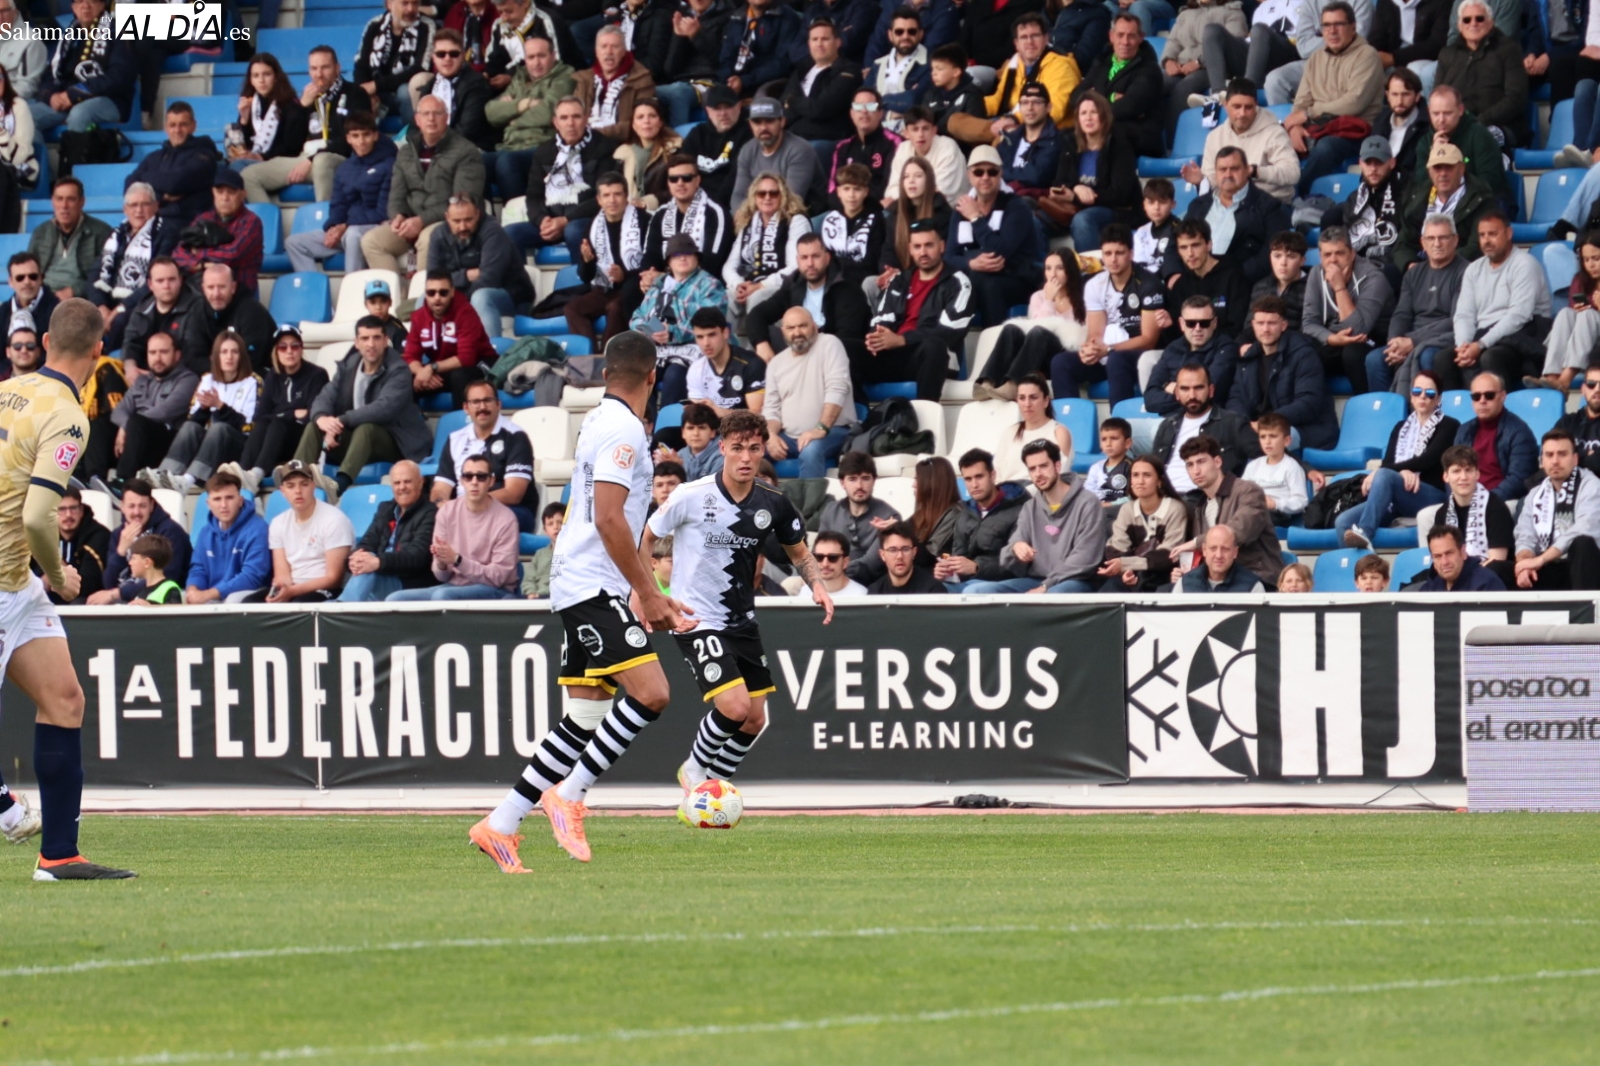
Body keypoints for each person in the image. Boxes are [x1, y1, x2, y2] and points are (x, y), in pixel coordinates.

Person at [475, 332, 690, 870]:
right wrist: (649, 592)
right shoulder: (625, 429)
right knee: (653, 694)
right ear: (652, 378)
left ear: (605, 375)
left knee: (587, 712)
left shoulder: (598, 418)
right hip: (594, 582)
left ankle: (501, 824)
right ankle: (569, 794)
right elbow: (609, 517)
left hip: (580, 580)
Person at [0, 298, 136, 875]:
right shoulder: (68, 415)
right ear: (100, 351)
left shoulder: (9, 389)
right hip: (9, 579)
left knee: (64, 699)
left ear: (45, 343)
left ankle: (58, 855)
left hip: (15, 581)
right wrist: (60, 576)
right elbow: (38, 516)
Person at [646, 408, 833, 786]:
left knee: (754, 719)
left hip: (741, 620)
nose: (746, 457)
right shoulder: (690, 495)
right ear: (722, 448)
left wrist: (816, 583)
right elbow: (646, 538)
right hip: (696, 619)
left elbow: (799, 552)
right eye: (737, 448)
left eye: (754, 449)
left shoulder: (774, 501)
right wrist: (647, 593)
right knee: (734, 706)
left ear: (763, 449)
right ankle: (694, 772)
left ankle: (716, 789)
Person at [294, 317, 435, 502]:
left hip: (397, 444)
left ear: (385, 340)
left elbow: (383, 408)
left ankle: (338, 486)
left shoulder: (399, 370)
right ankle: (296, 479)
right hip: (357, 444)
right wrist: (321, 418)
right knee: (314, 426)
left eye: (376, 337)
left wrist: (340, 421)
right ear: (357, 343)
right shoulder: (348, 367)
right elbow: (324, 396)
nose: (371, 344)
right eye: (365, 338)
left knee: (367, 428)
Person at [362, 96, 486, 278]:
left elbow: (464, 202)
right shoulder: (406, 152)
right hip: (410, 221)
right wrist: (398, 216)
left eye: (437, 113)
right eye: (426, 114)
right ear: (417, 120)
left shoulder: (466, 151)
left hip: (448, 222)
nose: (431, 119)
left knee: (429, 239)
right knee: (371, 241)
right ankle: (396, 294)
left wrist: (421, 221)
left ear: (447, 118)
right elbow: (396, 194)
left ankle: (424, 294)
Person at [1336, 367, 1458, 545]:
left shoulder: (1449, 425)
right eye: (1417, 391)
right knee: (1343, 522)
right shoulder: (1401, 427)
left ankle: (1365, 531)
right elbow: (1388, 463)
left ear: (1438, 398)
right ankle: (1364, 560)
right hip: (1398, 496)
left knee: (1384, 474)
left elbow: (1428, 460)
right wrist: (1402, 473)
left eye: (1430, 393)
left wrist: (1394, 472)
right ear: (1411, 395)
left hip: (1431, 496)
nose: (1422, 397)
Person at [965, 439, 1103, 593]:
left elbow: (1084, 557)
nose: (1038, 474)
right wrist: (1016, 548)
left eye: (1043, 466)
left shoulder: (1088, 503)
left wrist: (1046, 586)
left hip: (1074, 581)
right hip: (1035, 580)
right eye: (1032, 468)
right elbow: (1012, 549)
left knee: (1054, 595)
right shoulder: (1030, 507)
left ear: (1057, 466)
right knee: (976, 591)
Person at [1436, 212, 1552, 392]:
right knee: (1443, 359)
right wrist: (1463, 347)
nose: (1486, 240)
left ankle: (1502, 407)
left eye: (1492, 234)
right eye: (1482, 235)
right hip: (1483, 337)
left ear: (1509, 234)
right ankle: (1456, 409)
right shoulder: (1473, 269)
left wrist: (1481, 345)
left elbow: (1518, 316)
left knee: (1490, 358)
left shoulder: (1525, 264)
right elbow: (1464, 315)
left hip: (1519, 337)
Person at [242, 48, 374, 206]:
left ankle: (326, 219)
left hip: (338, 158)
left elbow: (355, 139)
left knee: (322, 161)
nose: (319, 74)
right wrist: (301, 108)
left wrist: (312, 159)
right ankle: (267, 220)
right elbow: (293, 145)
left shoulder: (355, 93)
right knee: (249, 176)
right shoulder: (309, 98)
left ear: (337, 68)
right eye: (314, 68)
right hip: (306, 158)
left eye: (325, 67)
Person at [862, 220, 973, 402]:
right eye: (917, 246)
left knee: (934, 345)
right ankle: (860, 415)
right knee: (846, 349)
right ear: (910, 249)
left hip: (934, 359)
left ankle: (927, 413)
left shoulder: (958, 283)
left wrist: (902, 340)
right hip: (894, 356)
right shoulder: (899, 280)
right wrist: (876, 338)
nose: (923, 252)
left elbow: (948, 332)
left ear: (942, 246)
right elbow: (881, 319)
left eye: (929, 245)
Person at [1281, 1, 1386, 194]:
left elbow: (1354, 103)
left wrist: (1308, 114)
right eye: (1327, 25)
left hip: (1355, 132)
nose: (1332, 31)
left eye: (1339, 24)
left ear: (1353, 27)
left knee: (1326, 147)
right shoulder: (1316, 58)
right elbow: (1301, 101)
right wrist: (1295, 127)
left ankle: (1295, 196)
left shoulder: (1367, 56)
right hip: (1318, 127)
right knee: (1273, 139)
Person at [143, 330, 261, 496]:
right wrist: (205, 409)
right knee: (189, 427)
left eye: (234, 352)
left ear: (242, 356)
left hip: (238, 448)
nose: (229, 357)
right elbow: (193, 420)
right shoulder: (207, 379)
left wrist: (221, 407)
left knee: (219, 428)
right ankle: (166, 474)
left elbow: (249, 427)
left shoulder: (253, 381)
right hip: (211, 447)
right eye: (224, 352)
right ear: (216, 356)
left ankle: (188, 480)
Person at [388, 454, 520, 600]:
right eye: (468, 476)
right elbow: (442, 576)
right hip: (453, 585)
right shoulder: (446, 512)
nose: (474, 482)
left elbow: (499, 577)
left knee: (442, 596)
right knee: (396, 599)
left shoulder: (506, 519)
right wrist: (441, 564)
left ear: (491, 481)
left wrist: (458, 560)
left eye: (481, 477)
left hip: (495, 588)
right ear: (461, 480)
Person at [1060, 223, 1165, 404]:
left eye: (1119, 253)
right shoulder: (1095, 285)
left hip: (1139, 356)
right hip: (1109, 352)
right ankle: (1067, 418)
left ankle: (1118, 419)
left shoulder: (1149, 284)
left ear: (1131, 254)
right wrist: (1091, 349)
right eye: (1108, 253)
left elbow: (1149, 340)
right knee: (1062, 362)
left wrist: (1109, 349)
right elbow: (1096, 333)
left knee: (1116, 359)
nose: (1113, 259)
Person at [509, 98, 620, 265]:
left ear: (586, 118)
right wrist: (542, 220)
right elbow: (533, 196)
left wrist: (566, 220)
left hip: (587, 220)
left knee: (573, 230)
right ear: (555, 122)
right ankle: (520, 282)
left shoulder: (604, 147)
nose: (570, 123)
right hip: (552, 221)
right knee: (510, 233)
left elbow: (603, 197)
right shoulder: (544, 151)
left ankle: (582, 279)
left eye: (576, 116)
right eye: (564, 118)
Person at [284, 114, 397, 276]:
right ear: (348, 139)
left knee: (353, 234)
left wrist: (345, 226)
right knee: (294, 243)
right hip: (347, 229)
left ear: (375, 136)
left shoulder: (389, 165)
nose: (361, 141)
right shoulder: (345, 168)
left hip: (375, 229)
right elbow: (338, 205)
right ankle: (314, 288)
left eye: (366, 135)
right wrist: (333, 227)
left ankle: (351, 287)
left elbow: (383, 212)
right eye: (355, 136)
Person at [945, 145, 1041, 332]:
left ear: (1000, 174)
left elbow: (998, 252)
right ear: (969, 175)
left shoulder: (1016, 207)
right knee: (959, 284)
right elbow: (949, 257)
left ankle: (994, 342)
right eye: (978, 172)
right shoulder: (961, 209)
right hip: (978, 277)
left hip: (1017, 277)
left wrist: (976, 218)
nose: (985, 177)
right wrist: (971, 263)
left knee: (988, 284)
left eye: (992, 171)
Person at [1227, 294, 1338, 450]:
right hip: (1260, 428)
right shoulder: (1249, 357)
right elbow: (1235, 398)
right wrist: (1244, 424)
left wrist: (1266, 424)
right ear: (1253, 325)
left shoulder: (1304, 354)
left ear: (1284, 325)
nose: (1265, 329)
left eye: (1272, 323)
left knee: (1267, 443)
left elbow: (1308, 403)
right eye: (1260, 323)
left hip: (1305, 429)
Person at [973, 250, 1088, 400]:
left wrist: (1049, 301)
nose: (1053, 274)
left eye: (1059, 268)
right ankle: (988, 382)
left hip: (1062, 359)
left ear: (1070, 271)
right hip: (1036, 357)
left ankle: (1013, 384)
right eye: (1048, 268)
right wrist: (1047, 299)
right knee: (1011, 329)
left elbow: (1043, 330)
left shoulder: (1085, 297)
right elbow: (1035, 327)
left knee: (1039, 333)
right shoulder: (1037, 297)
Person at [632, 236, 729, 408]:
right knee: (639, 373)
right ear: (669, 261)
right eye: (677, 255)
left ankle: (669, 423)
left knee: (674, 374)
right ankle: (646, 421)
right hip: (659, 348)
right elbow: (637, 316)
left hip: (698, 349)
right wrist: (645, 330)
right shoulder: (659, 285)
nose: (682, 258)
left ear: (697, 258)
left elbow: (711, 322)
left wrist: (672, 332)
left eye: (688, 253)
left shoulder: (710, 284)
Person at [744, 234, 872, 364]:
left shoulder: (846, 286)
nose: (810, 263)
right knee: (762, 334)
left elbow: (846, 337)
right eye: (804, 257)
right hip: (800, 347)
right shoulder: (794, 284)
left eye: (815, 256)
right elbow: (757, 314)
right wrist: (762, 344)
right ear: (798, 261)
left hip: (835, 357)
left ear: (827, 258)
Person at [1177, 433, 1282, 587]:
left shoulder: (1248, 491)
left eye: (1201, 462)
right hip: (1219, 582)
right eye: (1190, 465)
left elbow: (1241, 530)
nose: (1196, 471)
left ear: (1217, 462)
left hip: (1257, 577)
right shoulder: (1200, 507)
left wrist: (1195, 542)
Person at [1379, 212, 1467, 393]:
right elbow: (1402, 314)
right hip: (1411, 338)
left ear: (1455, 240)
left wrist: (1412, 341)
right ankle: (1388, 409)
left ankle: (1431, 408)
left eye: (1443, 237)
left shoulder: (1466, 272)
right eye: (1431, 238)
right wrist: (1394, 343)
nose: (1437, 243)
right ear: (1423, 242)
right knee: (1375, 360)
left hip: (1446, 337)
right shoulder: (1413, 273)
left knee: (1427, 356)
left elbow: (1456, 320)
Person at [764, 307, 858, 476]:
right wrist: (770, 436)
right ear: (783, 332)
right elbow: (771, 409)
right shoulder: (776, 363)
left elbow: (837, 388)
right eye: (791, 328)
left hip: (833, 431)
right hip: (789, 437)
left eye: (803, 326)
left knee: (810, 449)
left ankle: (809, 495)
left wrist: (820, 429)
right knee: (750, 448)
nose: (797, 333)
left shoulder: (830, 344)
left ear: (814, 326)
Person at [431, 380, 536, 530]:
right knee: (427, 518)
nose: (482, 407)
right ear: (466, 408)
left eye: (487, 400)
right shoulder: (455, 439)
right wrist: (440, 504)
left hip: (509, 509)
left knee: (476, 521)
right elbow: (441, 488)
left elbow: (514, 493)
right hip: (461, 510)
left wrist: (467, 505)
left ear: (498, 404)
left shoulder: (515, 436)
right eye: (475, 402)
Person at [1303, 225, 1395, 393]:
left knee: (1353, 353)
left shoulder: (1373, 277)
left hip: (1373, 338)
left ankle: (1365, 403)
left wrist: (1339, 287)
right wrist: (1331, 338)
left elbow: (1357, 330)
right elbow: (1309, 323)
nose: (1333, 260)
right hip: (1335, 337)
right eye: (1327, 255)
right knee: (1304, 349)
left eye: (1339, 253)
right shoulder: (1316, 273)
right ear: (1320, 257)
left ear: (1352, 253)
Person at [1042, 91, 1138, 251]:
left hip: (1116, 211)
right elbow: (1059, 181)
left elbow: (1120, 194)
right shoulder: (1070, 143)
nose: (1088, 118)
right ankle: (1041, 266)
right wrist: (1074, 189)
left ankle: (1091, 267)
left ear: (1104, 116)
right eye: (1083, 113)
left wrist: (1078, 197)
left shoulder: (1119, 145)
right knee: (1033, 219)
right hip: (1075, 207)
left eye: (1094, 112)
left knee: (1083, 220)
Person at [87, 185, 178, 353]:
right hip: (109, 303)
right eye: (134, 205)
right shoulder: (116, 235)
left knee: (120, 322)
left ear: (156, 206)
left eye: (145, 204)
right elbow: (95, 273)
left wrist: (118, 310)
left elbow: (155, 280)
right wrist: (101, 306)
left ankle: (107, 363)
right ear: (125, 209)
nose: (139, 210)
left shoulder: (165, 233)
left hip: (142, 302)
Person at [103, 331, 198, 492]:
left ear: (177, 355)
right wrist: (126, 426)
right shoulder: (142, 380)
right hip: (134, 442)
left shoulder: (188, 379)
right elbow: (119, 410)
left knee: (137, 421)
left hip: (165, 444)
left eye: (164, 352)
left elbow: (164, 411)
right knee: (99, 424)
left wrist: (128, 426)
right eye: (152, 353)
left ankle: (122, 480)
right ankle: (91, 476)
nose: (158, 358)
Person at [430, 194, 534, 338]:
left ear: (477, 214)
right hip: (463, 293)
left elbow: (488, 280)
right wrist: (465, 276)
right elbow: (432, 280)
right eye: (456, 221)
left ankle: (491, 349)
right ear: (447, 217)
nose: (463, 227)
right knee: (427, 299)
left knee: (481, 297)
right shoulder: (438, 235)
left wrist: (453, 293)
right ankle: (432, 350)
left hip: (511, 295)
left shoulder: (493, 231)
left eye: (468, 220)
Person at [565, 172, 649, 349]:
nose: (612, 200)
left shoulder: (644, 221)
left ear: (626, 197)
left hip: (634, 290)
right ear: (599, 200)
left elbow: (653, 264)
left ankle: (607, 357)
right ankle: (589, 356)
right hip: (603, 288)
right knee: (572, 309)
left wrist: (624, 275)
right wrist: (587, 261)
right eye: (606, 195)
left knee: (615, 307)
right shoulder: (593, 226)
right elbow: (586, 277)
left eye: (617, 194)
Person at [1181, 79, 1299, 206]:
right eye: (1236, 107)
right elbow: (1214, 179)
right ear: (1225, 105)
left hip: (1270, 204)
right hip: (1228, 205)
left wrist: (1255, 171)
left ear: (1256, 106)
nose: (1242, 113)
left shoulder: (1274, 132)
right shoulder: (1214, 136)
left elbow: (1292, 173)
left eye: (1248, 107)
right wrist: (1202, 181)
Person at [252, 459, 356, 603]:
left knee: (298, 606)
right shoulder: (278, 523)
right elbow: (282, 575)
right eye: (290, 486)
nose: (298, 491)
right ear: (283, 491)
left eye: (304, 484)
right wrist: (281, 592)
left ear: (313, 486)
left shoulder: (335, 519)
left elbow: (334, 579)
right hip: (293, 588)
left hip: (327, 589)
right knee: (249, 603)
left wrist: (292, 592)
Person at [486, 35, 577, 198]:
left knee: (506, 162)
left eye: (541, 56)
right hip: (510, 146)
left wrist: (511, 117)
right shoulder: (519, 78)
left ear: (553, 55)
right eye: (531, 57)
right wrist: (524, 104)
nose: (536, 63)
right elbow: (491, 112)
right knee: (472, 162)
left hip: (542, 146)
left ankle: (518, 211)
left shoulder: (564, 76)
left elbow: (546, 114)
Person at [28, 0, 135, 135]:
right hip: (68, 100)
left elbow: (119, 76)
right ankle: (33, 150)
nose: (85, 6)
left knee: (80, 113)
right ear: (73, 7)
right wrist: (51, 96)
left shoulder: (118, 31)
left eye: (92, 1)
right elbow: (50, 74)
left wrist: (74, 94)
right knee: (24, 116)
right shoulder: (70, 35)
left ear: (102, 5)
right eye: (80, 1)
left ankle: (75, 149)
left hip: (109, 100)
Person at [723, 172, 813, 332]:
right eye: (761, 193)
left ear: (783, 195)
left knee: (757, 298)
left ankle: (758, 345)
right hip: (749, 283)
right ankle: (730, 345)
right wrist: (738, 285)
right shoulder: (748, 223)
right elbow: (730, 265)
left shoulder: (795, 221)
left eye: (773, 193)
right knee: (724, 297)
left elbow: (796, 266)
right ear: (754, 197)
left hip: (781, 287)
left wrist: (761, 285)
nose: (767, 198)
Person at [1512, 428, 1600, 589]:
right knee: (1498, 570)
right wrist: (1525, 565)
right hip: (1546, 570)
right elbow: (1525, 536)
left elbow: (1584, 529)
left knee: (1582, 544)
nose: (1555, 461)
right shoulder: (1535, 494)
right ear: (1542, 461)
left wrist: (1541, 559)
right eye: (1549, 455)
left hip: (1580, 569)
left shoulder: (1592, 486)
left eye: (1562, 454)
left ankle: (1586, 605)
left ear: (1575, 459)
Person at [339, 460, 439, 601]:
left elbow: (417, 556)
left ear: (420, 482)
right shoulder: (385, 509)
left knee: (368, 570)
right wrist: (355, 560)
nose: (402, 487)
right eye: (397, 483)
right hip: (378, 577)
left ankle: (343, 607)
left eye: (407, 481)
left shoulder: (431, 512)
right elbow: (367, 543)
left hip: (408, 583)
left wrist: (378, 562)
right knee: (365, 563)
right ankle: (342, 605)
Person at [1153, 363, 1261, 491]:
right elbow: (1154, 469)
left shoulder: (1233, 422)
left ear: (1211, 390)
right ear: (1176, 393)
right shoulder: (1167, 426)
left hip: (1206, 498)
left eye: (1198, 388)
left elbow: (1269, 458)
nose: (1192, 395)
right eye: (1185, 389)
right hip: (1163, 496)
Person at [931, 448, 1027, 590]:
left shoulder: (1020, 510)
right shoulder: (964, 513)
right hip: (972, 582)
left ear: (993, 475)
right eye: (968, 479)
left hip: (1008, 581)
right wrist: (948, 570)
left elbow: (1019, 563)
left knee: (973, 591)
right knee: (932, 589)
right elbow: (959, 555)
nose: (974, 485)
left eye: (979, 477)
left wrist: (976, 567)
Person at [1435, 1, 1528, 147]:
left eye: (1480, 19)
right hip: (1457, 126)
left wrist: (1480, 121)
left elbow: (1516, 98)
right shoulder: (1447, 54)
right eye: (1467, 20)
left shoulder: (1509, 50)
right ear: (1459, 26)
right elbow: (1438, 97)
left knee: (1479, 139)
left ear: (1491, 23)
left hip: (1501, 125)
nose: (1473, 24)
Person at [88, 476, 191, 606]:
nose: (137, 512)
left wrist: (117, 593)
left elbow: (167, 576)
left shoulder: (169, 531)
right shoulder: (118, 534)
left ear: (151, 505)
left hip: (159, 601)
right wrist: (121, 552)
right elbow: (109, 583)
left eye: (142, 506)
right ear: (122, 506)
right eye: (131, 506)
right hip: (125, 600)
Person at [403, 272, 496, 409]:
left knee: (459, 376)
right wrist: (420, 372)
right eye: (431, 293)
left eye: (443, 292)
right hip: (444, 367)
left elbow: (466, 358)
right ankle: (413, 421)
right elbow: (410, 356)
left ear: (452, 292)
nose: (437, 297)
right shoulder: (418, 317)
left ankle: (461, 420)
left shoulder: (465, 312)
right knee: (403, 378)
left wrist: (431, 368)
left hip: (481, 363)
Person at [1076, 14, 1165, 157]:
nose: (1125, 42)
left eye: (1131, 36)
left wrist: (1094, 97)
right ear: (1111, 36)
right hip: (1107, 131)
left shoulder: (1149, 69)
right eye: (1120, 35)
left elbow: (1129, 107)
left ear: (1141, 38)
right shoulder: (1101, 61)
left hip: (1139, 138)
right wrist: (1111, 96)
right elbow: (1075, 97)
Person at [1100, 455, 1189, 591]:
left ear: (1159, 481)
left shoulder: (1175, 509)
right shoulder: (1127, 509)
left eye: (1147, 475)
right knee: (1107, 592)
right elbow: (1116, 548)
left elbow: (1168, 554)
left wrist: (1126, 564)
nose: (1140, 481)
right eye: (1135, 475)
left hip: (1164, 576)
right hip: (1131, 574)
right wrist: (1127, 572)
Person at [126, 103, 220, 229]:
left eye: (183, 125)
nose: (177, 130)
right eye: (172, 125)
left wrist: (144, 180)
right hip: (154, 221)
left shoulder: (204, 156)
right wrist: (161, 196)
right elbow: (130, 185)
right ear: (166, 127)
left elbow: (174, 183)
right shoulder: (154, 157)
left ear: (193, 126)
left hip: (188, 224)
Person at [1412, 84, 1509, 205]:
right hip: (1438, 205)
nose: (1441, 119)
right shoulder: (1425, 142)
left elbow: (1490, 183)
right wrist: (1434, 156)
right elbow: (1420, 186)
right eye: (1436, 114)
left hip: (1483, 204)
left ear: (1460, 110)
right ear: (1428, 112)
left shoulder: (1480, 136)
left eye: (1447, 113)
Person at [183, 470, 270, 604]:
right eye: (217, 499)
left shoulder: (258, 529)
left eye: (229, 498)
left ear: (240, 501)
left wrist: (209, 594)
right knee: (182, 597)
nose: (223, 505)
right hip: (214, 595)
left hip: (250, 594)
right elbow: (198, 570)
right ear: (208, 504)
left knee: (232, 600)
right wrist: (193, 590)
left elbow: (252, 577)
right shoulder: (205, 532)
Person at [640, 154, 732, 281]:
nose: (680, 183)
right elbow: (650, 255)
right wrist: (649, 276)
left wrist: (667, 279)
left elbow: (712, 261)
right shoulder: (660, 214)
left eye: (686, 178)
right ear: (668, 183)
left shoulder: (716, 213)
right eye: (673, 179)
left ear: (697, 180)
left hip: (703, 284)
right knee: (633, 288)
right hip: (663, 281)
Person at [1145, 295, 1238, 417]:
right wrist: (1187, 395)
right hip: (1169, 420)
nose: (1197, 328)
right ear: (1181, 323)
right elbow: (1150, 400)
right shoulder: (1172, 349)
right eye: (1191, 323)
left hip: (1209, 420)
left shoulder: (1226, 348)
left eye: (1204, 323)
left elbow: (1209, 394)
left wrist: (1174, 388)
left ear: (1214, 323)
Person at [1452, 371, 1538, 501]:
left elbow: (1519, 479)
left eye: (1489, 395)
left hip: (1503, 501)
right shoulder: (1464, 430)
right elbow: (1453, 470)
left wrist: (1485, 501)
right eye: (1476, 396)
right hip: (1467, 499)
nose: (1482, 401)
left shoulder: (1519, 432)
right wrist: (1458, 499)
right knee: (1427, 513)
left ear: (1503, 396)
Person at [1434, 442, 1514, 582]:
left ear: (1477, 474)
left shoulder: (1496, 508)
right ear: (1446, 477)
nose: (1463, 477)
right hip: (1455, 576)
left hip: (1490, 580)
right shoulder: (1442, 513)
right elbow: (1440, 557)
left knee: (1494, 569)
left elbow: (1497, 560)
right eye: (1456, 471)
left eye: (1468, 470)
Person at [878, 154, 954, 301]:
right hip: (901, 278)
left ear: (929, 180)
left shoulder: (943, 213)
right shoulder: (894, 213)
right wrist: (889, 270)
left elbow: (946, 256)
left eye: (918, 176)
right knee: (869, 284)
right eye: (906, 177)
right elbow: (888, 252)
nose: (911, 181)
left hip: (932, 279)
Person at [178, 264, 276, 378]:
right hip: (212, 378)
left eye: (222, 287)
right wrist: (220, 367)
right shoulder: (198, 310)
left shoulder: (252, 311)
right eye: (210, 287)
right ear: (203, 289)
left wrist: (214, 361)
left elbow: (250, 360)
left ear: (233, 287)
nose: (216, 294)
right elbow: (192, 358)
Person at [1531, 233, 1600, 393]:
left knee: (1588, 315)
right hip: (1585, 333)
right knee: (1565, 314)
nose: (1591, 265)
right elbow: (1573, 310)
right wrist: (1578, 309)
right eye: (1586, 260)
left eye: (1596, 258)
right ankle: (1551, 375)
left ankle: (1565, 379)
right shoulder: (1580, 280)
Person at [409, 28, 497, 152]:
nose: (447, 58)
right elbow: (414, 127)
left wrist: (431, 146)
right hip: (434, 146)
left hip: (469, 149)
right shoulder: (431, 85)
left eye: (454, 54)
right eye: (441, 54)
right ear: (433, 57)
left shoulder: (477, 85)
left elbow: (467, 132)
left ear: (463, 56)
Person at [817, 450, 901, 578]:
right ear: (842, 482)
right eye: (852, 479)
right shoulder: (831, 511)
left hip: (869, 583)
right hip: (830, 578)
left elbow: (870, 564)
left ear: (874, 480)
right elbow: (820, 553)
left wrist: (833, 571)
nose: (859, 486)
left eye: (865, 478)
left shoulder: (889, 516)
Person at [1165, 217, 1252, 339]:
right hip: (1189, 347)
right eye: (1183, 247)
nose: (1190, 253)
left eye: (1195, 245)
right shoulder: (1181, 284)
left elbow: (1237, 326)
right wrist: (1168, 325)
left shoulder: (1234, 275)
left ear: (1209, 245)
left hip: (1224, 346)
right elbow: (1177, 331)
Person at [227, 54, 312, 179]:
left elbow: (292, 147)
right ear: (251, 80)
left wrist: (261, 156)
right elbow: (242, 146)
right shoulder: (252, 104)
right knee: (220, 166)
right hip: (254, 161)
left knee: (238, 167)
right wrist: (244, 120)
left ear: (276, 77)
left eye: (266, 74)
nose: (261, 80)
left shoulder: (289, 105)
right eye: (256, 76)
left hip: (279, 163)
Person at [28, 179, 112, 302]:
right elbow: (29, 270)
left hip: (82, 300)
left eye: (71, 199)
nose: (64, 206)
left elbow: (106, 275)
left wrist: (75, 290)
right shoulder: (41, 232)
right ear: (52, 202)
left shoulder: (100, 232)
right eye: (59, 199)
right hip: (44, 298)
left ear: (82, 202)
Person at [781, 18, 861, 147]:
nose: (819, 44)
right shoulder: (803, 68)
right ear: (809, 44)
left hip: (826, 138)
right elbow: (784, 101)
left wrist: (792, 101)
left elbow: (820, 108)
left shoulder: (849, 70)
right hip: (794, 133)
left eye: (825, 39)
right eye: (814, 39)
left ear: (838, 42)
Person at [354, 0, 438, 122]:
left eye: (415, 3)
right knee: (354, 90)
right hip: (379, 93)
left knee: (404, 92)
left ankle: (413, 131)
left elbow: (420, 68)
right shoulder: (374, 25)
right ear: (389, 4)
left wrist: (376, 85)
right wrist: (366, 92)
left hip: (405, 92)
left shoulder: (426, 26)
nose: (411, 9)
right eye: (405, 3)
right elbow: (361, 63)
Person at [732, 97, 820, 210]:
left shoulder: (800, 149)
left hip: (804, 213)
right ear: (750, 124)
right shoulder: (747, 149)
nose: (763, 127)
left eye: (769, 121)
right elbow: (739, 195)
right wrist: (745, 217)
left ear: (782, 122)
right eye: (757, 122)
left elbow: (792, 200)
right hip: (760, 212)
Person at [121, 258, 199, 377]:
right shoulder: (143, 308)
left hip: (180, 376)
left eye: (171, 279)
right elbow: (131, 342)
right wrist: (130, 367)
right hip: (143, 373)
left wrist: (155, 378)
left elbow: (191, 355)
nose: (166, 286)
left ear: (180, 280)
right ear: (150, 284)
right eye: (160, 281)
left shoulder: (196, 308)